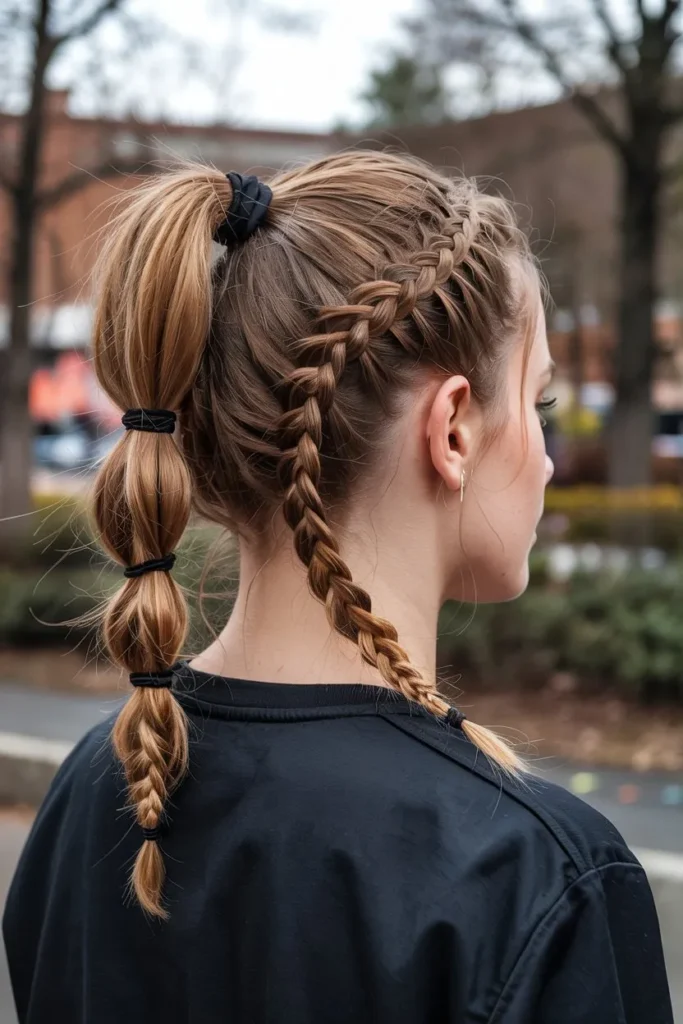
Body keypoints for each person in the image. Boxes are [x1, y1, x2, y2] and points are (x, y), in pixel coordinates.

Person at [3, 153, 672, 1024]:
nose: (545, 459)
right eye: (537, 406)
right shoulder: (532, 872)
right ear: (453, 429)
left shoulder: (104, 786)